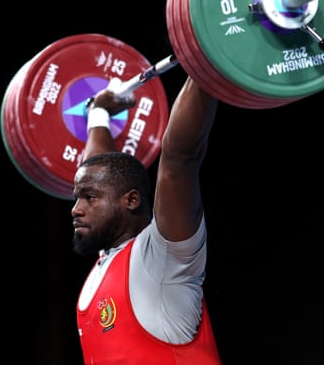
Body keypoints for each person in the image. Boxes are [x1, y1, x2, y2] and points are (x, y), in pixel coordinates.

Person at [71, 74, 222, 364]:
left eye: (88, 198)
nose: (75, 208)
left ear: (131, 201)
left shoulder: (162, 260)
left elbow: (180, 158)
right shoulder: (110, 260)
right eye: (77, 197)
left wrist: (205, 62)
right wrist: (99, 114)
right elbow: (101, 173)